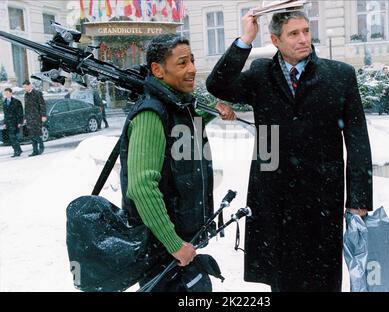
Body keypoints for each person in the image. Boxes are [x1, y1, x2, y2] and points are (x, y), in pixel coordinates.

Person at [206, 10, 373, 292]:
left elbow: (358, 141)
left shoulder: (340, 75)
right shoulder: (260, 74)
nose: (303, 39)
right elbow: (217, 84)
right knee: (282, 280)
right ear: (275, 40)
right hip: (274, 196)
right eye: (293, 34)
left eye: (306, 31)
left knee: (323, 278)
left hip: (322, 196)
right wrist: (245, 39)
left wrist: (358, 198)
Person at [119, 33, 235, 291]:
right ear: (158, 70)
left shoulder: (177, 107)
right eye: (182, 63)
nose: (192, 69)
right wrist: (174, 244)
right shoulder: (151, 114)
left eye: (192, 60)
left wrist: (215, 109)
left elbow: (183, 131)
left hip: (181, 247)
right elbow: (141, 187)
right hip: (162, 252)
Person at [23, 80, 47, 156]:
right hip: (29, 118)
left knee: (36, 134)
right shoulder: (26, 95)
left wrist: (43, 115)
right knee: (31, 135)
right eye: (23, 87)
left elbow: (42, 105)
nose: (24, 88)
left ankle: (41, 146)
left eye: (25, 87)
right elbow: (26, 108)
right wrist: (25, 117)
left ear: (30, 85)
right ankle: (35, 151)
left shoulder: (37, 93)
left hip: (37, 117)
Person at [2, 88, 23, 157]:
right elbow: (5, 114)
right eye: (5, 93)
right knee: (12, 138)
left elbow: (20, 113)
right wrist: (5, 123)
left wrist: (20, 122)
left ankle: (17, 151)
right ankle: (18, 150)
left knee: (13, 137)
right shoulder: (4, 102)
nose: (6, 94)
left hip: (15, 122)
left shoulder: (16, 102)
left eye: (7, 93)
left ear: (11, 93)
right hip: (8, 123)